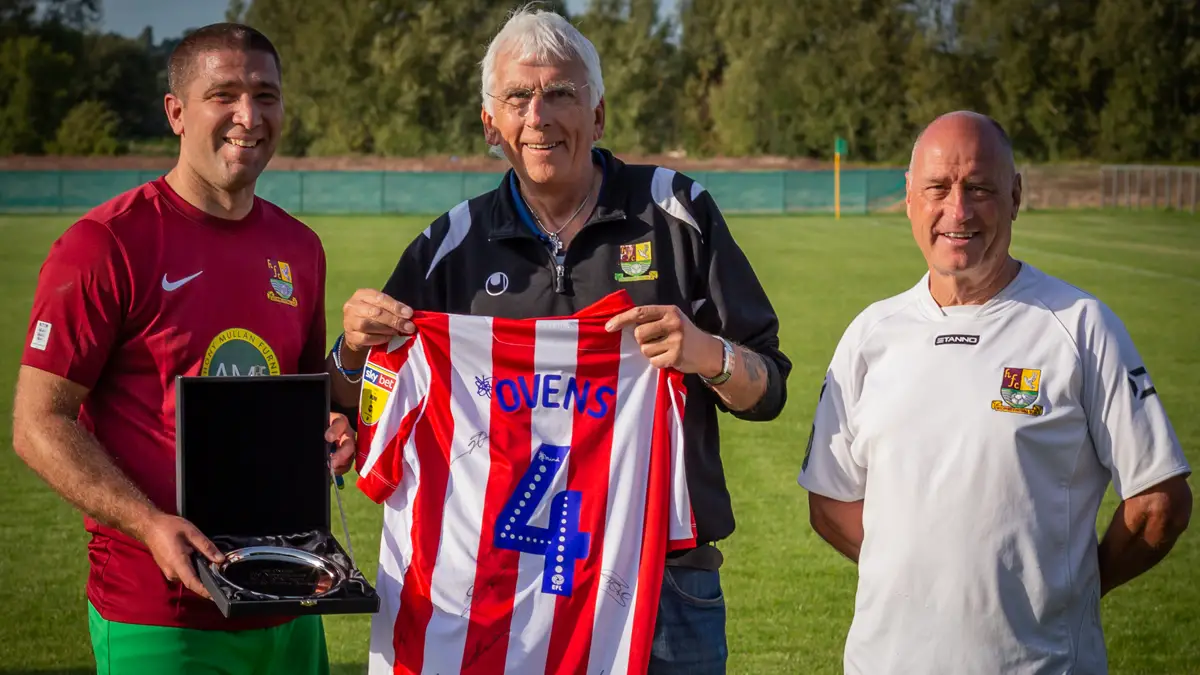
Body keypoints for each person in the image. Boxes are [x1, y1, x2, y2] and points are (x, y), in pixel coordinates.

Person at [329, 7, 790, 673]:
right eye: (518, 97)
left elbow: (769, 387)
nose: (539, 116)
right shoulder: (449, 246)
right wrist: (350, 347)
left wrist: (707, 354)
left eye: (561, 94)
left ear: (598, 116)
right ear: (492, 124)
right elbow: (354, 406)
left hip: (663, 586)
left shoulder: (674, 211)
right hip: (499, 591)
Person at [12, 23, 355, 675]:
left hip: (286, 598)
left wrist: (330, 427)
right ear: (175, 112)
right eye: (223, 94)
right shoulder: (104, 244)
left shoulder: (300, 247)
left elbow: (300, 401)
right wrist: (147, 522)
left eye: (266, 95)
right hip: (160, 613)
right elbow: (37, 423)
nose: (248, 117)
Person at [797, 110, 1193, 674]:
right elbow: (830, 501)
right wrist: (923, 580)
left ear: (1015, 196)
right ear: (909, 198)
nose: (956, 210)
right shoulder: (869, 334)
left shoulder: (1080, 326)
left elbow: (1160, 504)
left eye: (979, 188)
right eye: (937, 188)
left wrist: (1067, 592)